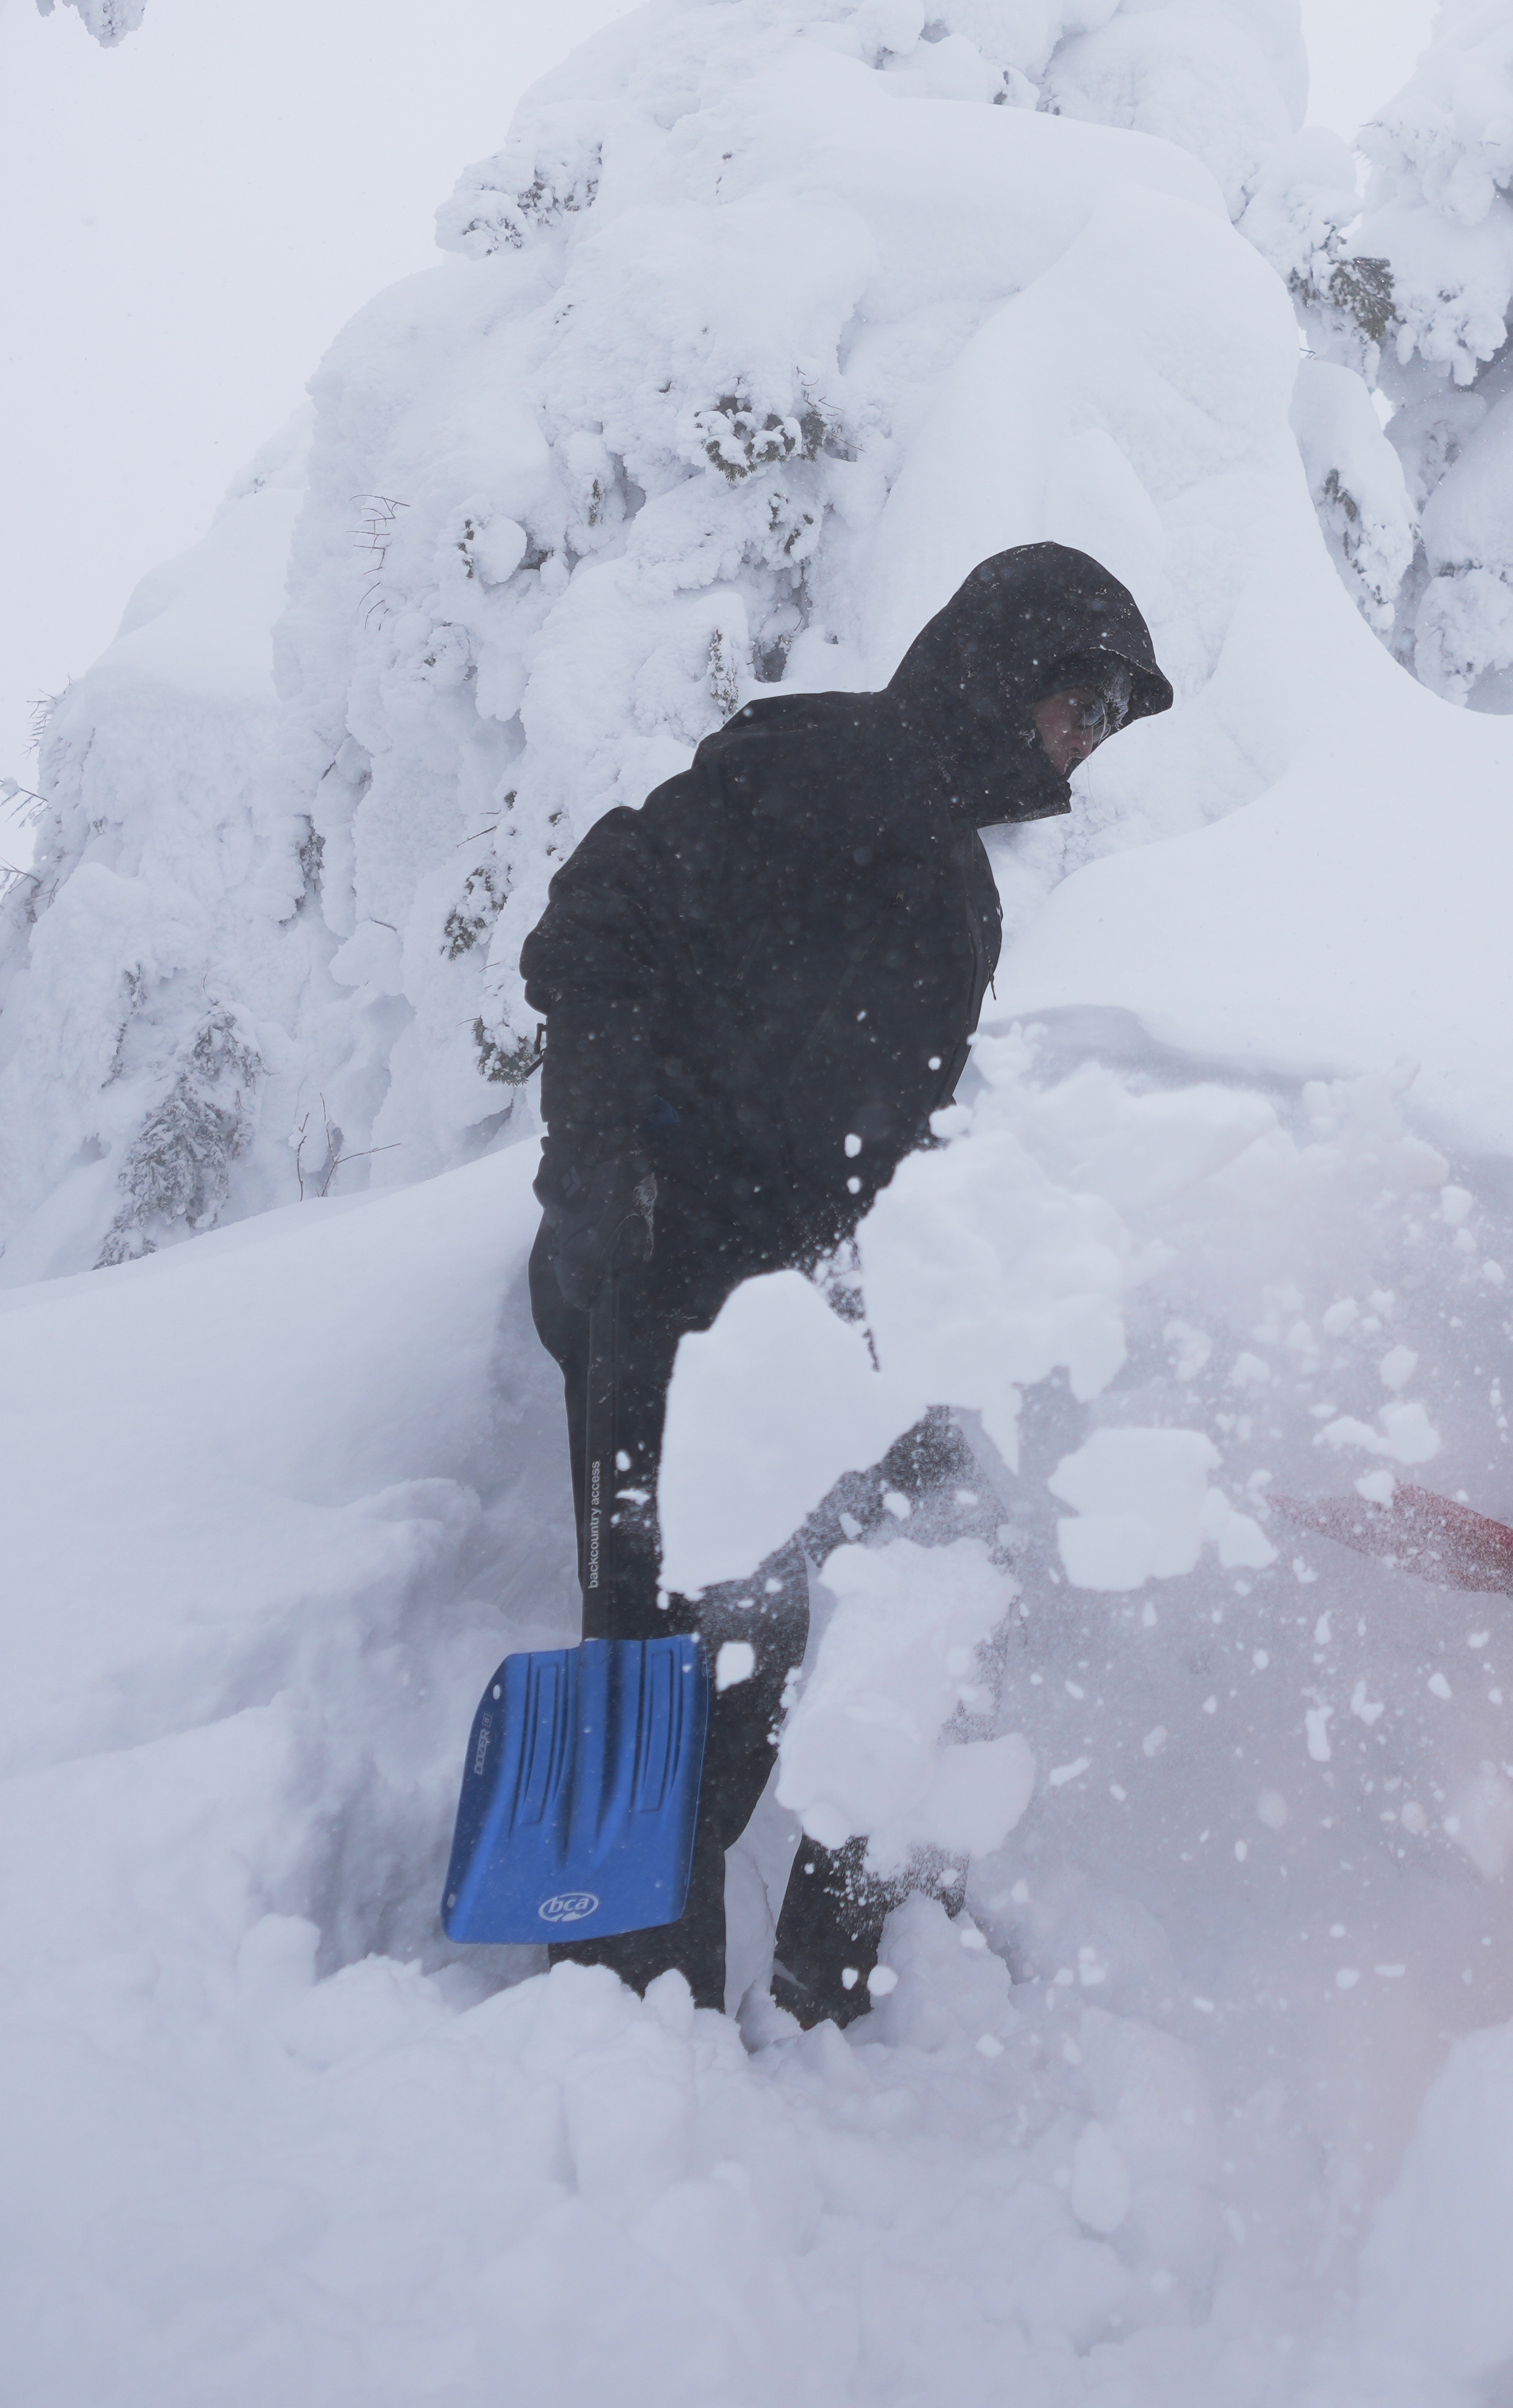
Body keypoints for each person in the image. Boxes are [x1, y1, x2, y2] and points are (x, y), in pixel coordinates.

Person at [512, 540, 1171, 2022]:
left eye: (1104, 725)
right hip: (654, 1268)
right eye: (1079, 704)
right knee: (663, 1630)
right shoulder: (824, 763)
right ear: (1008, 670)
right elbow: (596, 920)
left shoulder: (954, 871)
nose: (1084, 741)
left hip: (779, 1304)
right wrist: (599, 1159)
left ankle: (812, 1957)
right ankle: (620, 1997)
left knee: (875, 1570)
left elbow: (868, 1125)